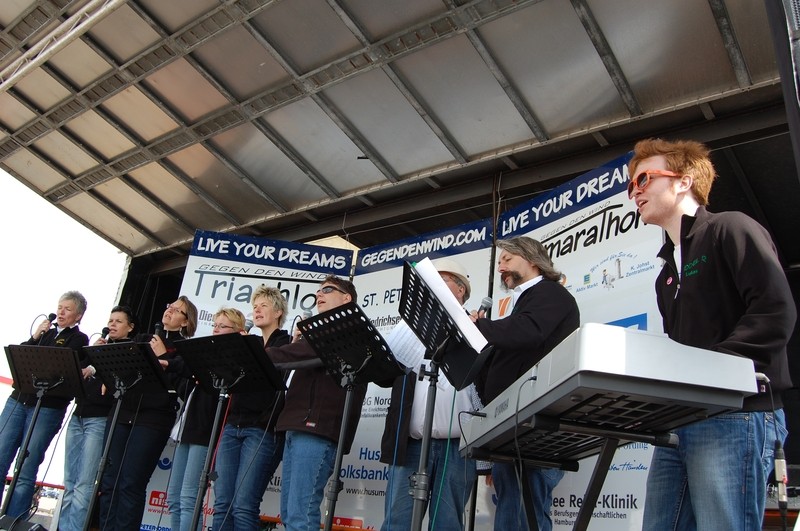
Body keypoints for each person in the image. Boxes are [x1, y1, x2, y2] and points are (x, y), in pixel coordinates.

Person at [627, 138, 796, 531]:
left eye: (644, 179)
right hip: (680, 422)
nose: (636, 191)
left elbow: (775, 310)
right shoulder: (665, 275)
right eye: (631, 185)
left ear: (683, 182)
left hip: (737, 413)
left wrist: (710, 370)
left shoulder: (730, 228)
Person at [471, 237, 579, 531]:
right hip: (512, 430)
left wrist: (481, 327)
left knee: (524, 512)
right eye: (500, 261)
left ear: (532, 260)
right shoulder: (523, 304)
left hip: (537, 429)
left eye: (508, 258)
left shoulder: (550, 293)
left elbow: (528, 332)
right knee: (511, 512)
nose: (501, 266)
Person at [380, 257, 479, 531]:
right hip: (410, 444)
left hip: (457, 448)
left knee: (446, 524)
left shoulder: (478, 327)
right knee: (397, 523)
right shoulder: (409, 326)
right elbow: (385, 374)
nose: (433, 285)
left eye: (442, 279)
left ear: (461, 290)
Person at [265, 275, 368, 531]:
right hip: (296, 427)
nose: (319, 294)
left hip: (317, 430)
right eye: (318, 291)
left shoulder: (347, 329)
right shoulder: (317, 333)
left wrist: (256, 355)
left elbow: (296, 354)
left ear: (347, 298)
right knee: (290, 514)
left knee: (301, 514)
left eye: (328, 290)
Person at [98, 296, 198, 531]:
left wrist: (164, 356)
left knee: (131, 483)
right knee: (109, 481)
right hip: (123, 412)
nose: (169, 311)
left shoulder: (185, 351)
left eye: (176, 310)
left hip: (153, 419)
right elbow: (124, 368)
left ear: (185, 322)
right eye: (169, 306)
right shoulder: (142, 339)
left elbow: (182, 387)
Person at [0, 291, 89, 519]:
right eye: (60, 307)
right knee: (1, 455)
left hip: (48, 407)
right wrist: (35, 336)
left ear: (78, 316)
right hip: (19, 401)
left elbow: (62, 364)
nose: (61, 312)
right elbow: (20, 357)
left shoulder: (79, 339)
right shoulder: (44, 333)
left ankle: (13, 520)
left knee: (26, 465)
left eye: (67, 309)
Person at [213, 287, 291, 531]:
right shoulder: (248, 343)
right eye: (254, 306)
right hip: (232, 426)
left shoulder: (287, 343)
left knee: (244, 506)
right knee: (222, 504)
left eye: (263, 305)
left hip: (261, 430)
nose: (256, 309)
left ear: (278, 312)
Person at [167, 307, 246, 531]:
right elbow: (184, 380)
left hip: (206, 431)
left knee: (189, 496)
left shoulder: (234, 358)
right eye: (215, 325)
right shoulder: (204, 353)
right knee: (174, 497)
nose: (216, 330)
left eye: (223, 326)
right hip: (187, 427)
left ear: (237, 331)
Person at [59, 305, 136, 530]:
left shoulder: (127, 352)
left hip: (100, 419)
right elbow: (77, 376)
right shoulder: (99, 348)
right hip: (79, 415)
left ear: (130, 328)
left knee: (84, 483)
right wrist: (91, 354)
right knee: (70, 481)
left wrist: (101, 363)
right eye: (110, 320)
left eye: (118, 321)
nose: (112, 324)